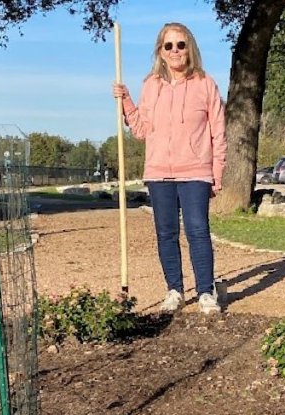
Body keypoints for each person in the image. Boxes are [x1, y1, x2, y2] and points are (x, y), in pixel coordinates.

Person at [112, 22, 226, 314]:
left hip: (197, 172)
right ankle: (174, 290)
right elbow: (141, 129)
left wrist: (217, 173)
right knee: (166, 233)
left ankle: (205, 292)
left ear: (190, 48)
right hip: (159, 171)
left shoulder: (205, 84)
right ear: (161, 52)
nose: (175, 51)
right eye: (169, 46)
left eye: (181, 44)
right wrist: (125, 101)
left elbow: (218, 133)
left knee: (198, 231)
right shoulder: (151, 85)